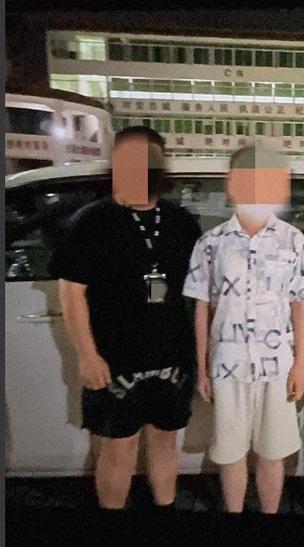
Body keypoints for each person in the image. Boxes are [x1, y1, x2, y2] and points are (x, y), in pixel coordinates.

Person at [52, 125, 202, 514]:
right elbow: (71, 293)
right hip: (113, 357)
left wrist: (201, 357)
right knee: (119, 447)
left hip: (172, 355)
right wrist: (87, 356)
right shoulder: (91, 222)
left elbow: (200, 292)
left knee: (165, 442)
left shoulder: (181, 222)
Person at [183, 146, 304, 514]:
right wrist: (202, 368)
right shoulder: (211, 243)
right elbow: (202, 307)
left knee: (272, 455)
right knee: (230, 455)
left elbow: (301, 306)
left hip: (277, 366)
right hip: (227, 364)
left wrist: (300, 365)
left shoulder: (294, 240)